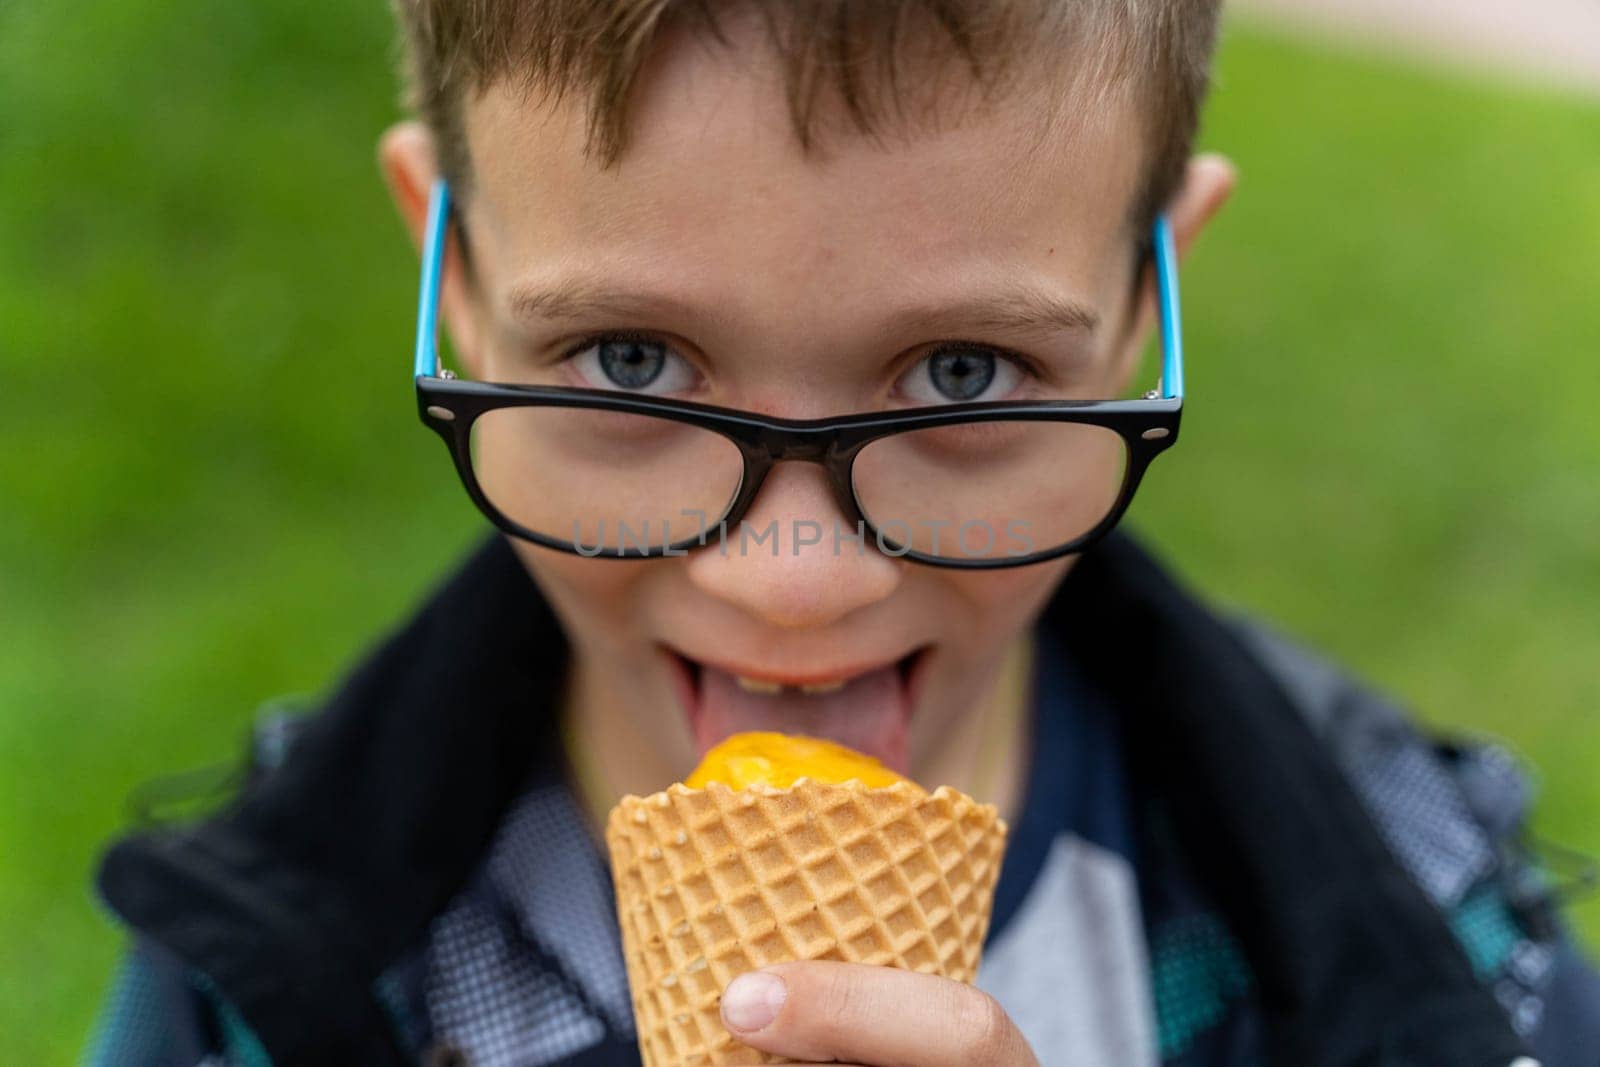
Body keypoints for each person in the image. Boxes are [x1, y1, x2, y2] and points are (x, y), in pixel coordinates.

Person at [87, 2, 1600, 1065]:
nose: (792, 584)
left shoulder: (1434, 938)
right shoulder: (260, 973)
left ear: (1147, 307)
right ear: (454, 278)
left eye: (964, 373)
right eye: (630, 361)